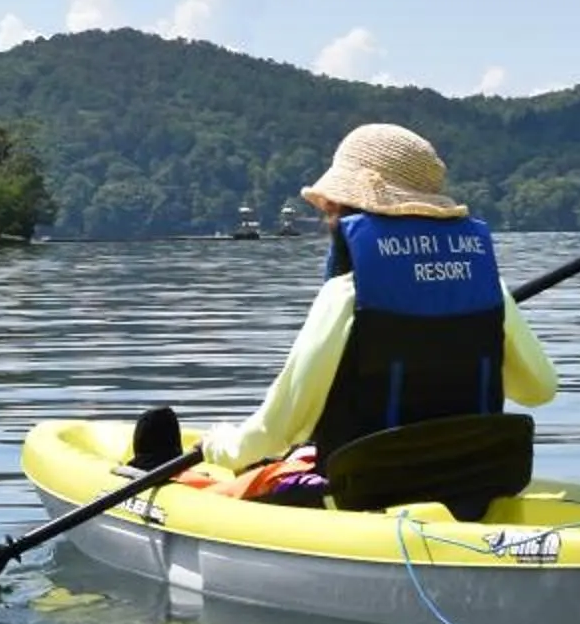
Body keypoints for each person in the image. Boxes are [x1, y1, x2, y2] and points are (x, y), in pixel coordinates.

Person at [198, 124, 555, 489]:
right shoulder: (488, 287)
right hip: (475, 488)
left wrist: (218, 446)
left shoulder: (345, 295)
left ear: (353, 208)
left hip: (366, 496)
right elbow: (539, 390)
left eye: (332, 206)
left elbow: (275, 433)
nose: (327, 217)